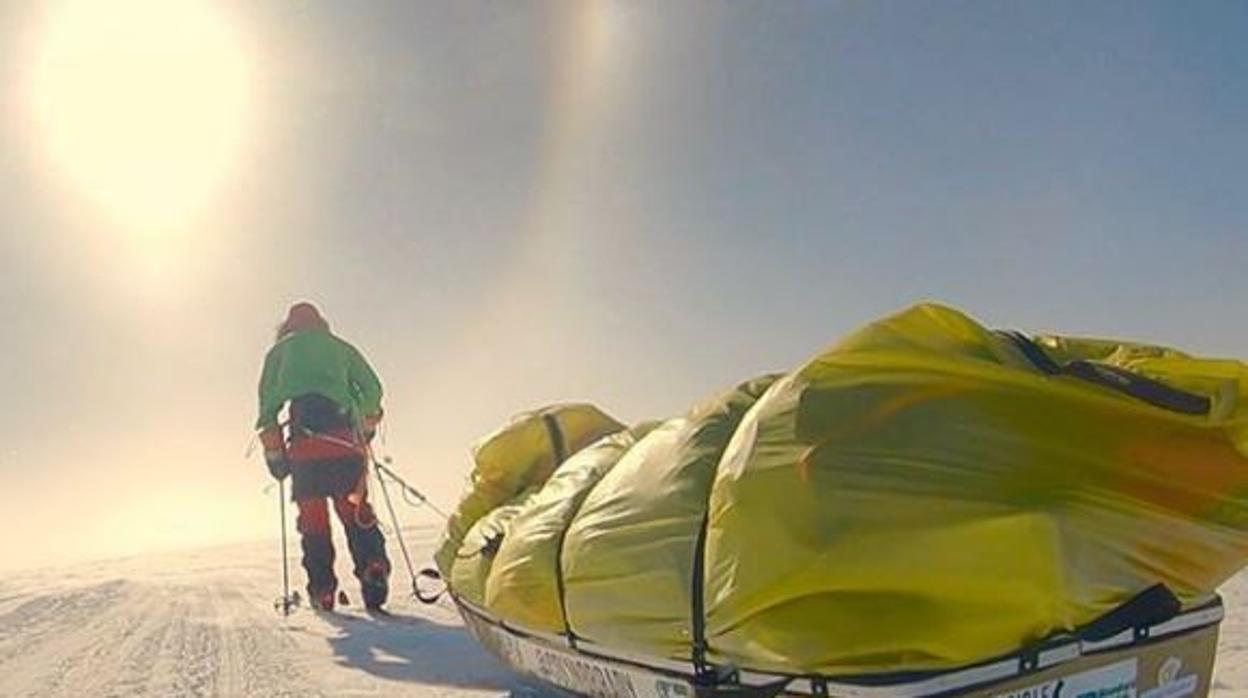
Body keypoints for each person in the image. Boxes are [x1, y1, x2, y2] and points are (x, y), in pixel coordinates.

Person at [256, 302, 391, 611]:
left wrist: (275, 453)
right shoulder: (341, 349)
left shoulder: (279, 354)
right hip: (344, 445)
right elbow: (372, 389)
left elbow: (267, 409)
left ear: (287, 328)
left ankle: (322, 590)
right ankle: (373, 565)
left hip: (305, 451)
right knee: (356, 511)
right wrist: (366, 423)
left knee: (313, 522)